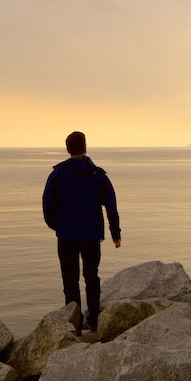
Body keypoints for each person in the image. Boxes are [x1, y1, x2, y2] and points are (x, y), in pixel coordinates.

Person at [42, 131, 121, 333]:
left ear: (68, 149)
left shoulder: (58, 174)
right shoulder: (97, 175)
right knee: (91, 277)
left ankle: (75, 325)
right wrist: (115, 232)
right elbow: (111, 205)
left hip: (67, 235)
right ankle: (94, 321)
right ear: (85, 147)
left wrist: (56, 226)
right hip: (91, 235)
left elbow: (47, 204)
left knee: (70, 280)